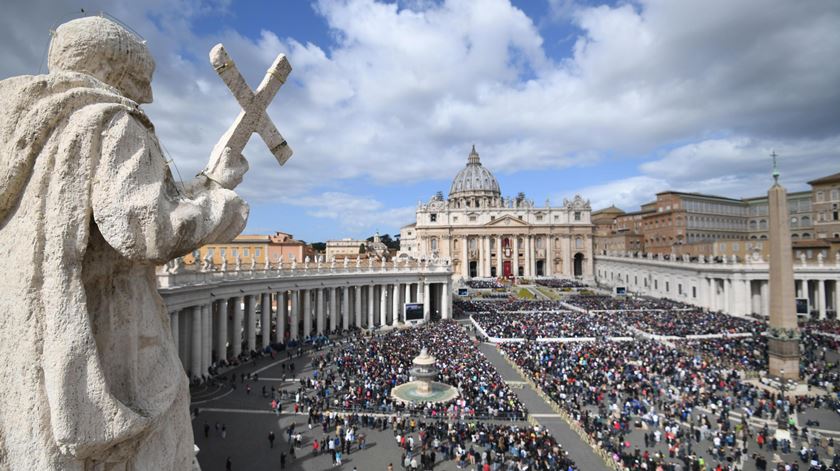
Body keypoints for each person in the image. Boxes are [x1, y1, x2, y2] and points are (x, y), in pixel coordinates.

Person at [0, 15, 249, 470]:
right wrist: (224, 204)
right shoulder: (108, 121)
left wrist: (207, 181)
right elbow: (148, 229)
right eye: (141, 81)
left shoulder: (18, 128)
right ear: (115, 70)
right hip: (107, 332)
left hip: (22, 334)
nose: (147, 96)